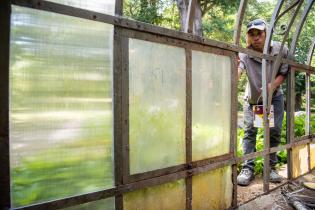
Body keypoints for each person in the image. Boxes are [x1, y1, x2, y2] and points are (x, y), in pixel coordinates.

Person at [237, 19, 289, 186]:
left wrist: (272, 85)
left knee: (273, 130)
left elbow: (284, 72)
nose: (256, 38)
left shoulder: (280, 49)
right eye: (252, 34)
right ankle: (247, 168)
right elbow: (239, 70)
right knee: (251, 131)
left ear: (266, 34)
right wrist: (233, 72)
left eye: (259, 33)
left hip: (274, 97)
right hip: (254, 99)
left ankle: (271, 167)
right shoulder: (244, 52)